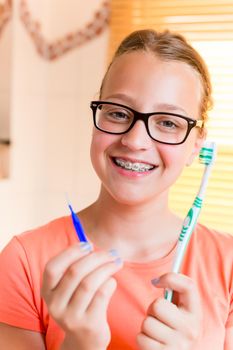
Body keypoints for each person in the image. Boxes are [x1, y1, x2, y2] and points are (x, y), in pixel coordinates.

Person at [0, 29, 232, 350]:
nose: (135, 141)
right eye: (119, 113)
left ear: (197, 145)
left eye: (168, 122)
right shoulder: (24, 261)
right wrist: (80, 344)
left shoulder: (229, 264)